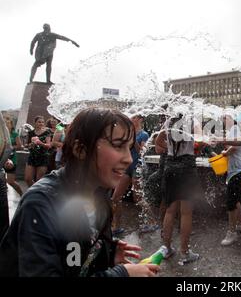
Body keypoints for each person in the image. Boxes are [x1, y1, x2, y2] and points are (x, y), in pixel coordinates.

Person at [0, 108, 160, 277]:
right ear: (80, 149)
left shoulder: (99, 198)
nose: (128, 158)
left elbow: (73, 260)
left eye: (129, 148)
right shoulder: (41, 204)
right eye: (118, 146)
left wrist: (104, 252)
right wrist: (121, 274)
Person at [155, 112, 202, 265]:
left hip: (170, 165)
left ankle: (167, 248)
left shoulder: (168, 122)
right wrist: (194, 145)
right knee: (186, 213)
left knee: (170, 210)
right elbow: (201, 140)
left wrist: (168, 147)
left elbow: (157, 141)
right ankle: (185, 252)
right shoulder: (192, 120)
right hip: (186, 166)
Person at [211, 110, 241, 246]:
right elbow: (232, 146)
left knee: (231, 203)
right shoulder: (233, 130)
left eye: (225, 117)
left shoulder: (234, 129)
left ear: (232, 119)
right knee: (235, 200)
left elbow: (234, 147)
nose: (223, 120)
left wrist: (225, 152)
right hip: (237, 171)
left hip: (237, 171)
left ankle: (232, 233)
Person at [111, 114, 153, 235]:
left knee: (138, 198)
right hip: (127, 167)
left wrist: (133, 138)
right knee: (115, 197)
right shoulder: (127, 133)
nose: (131, 119)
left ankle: (151, 222)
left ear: (140, 120)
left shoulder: (144, 134)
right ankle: (116, 226)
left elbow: (142, 151)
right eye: (131, 117)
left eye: (134, 117)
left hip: (137, 166)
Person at [24, 116, 52, 186]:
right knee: (28, 179)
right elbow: (26, 145)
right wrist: (30, 145)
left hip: (42, 157)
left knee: (39, 180)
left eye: (42, 122)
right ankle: (32, 192)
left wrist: (40, 143)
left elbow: (48, 146)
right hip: (32, 157)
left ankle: (36, 195)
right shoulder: (31, 133)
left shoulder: (47, 132)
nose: (41, 123)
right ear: (35, 123)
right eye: (39, 122)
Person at [3, 116, 23, 196]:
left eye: (8, 123)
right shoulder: (1, 133)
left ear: (11, 125)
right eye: (5, 123)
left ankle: (22, 196)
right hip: (2, 159)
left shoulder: (14, 134)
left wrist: (9, 147)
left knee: (10, 181)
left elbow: (20, 146)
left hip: (11, 159)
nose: (6, 125)